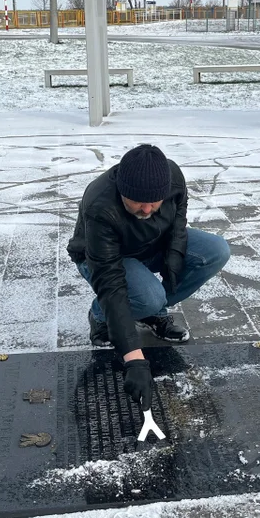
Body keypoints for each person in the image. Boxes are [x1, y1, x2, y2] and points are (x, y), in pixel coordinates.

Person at [67, 144, 230, 411]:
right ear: (122, 191)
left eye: (154, 201)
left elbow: (178, 223)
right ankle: (101, 315)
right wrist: (134, 360)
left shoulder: (172, 176)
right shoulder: (100, 206)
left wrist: (174, 258)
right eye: (137, 202)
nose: (146, 209)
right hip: (104, 259)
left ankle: (149, 309)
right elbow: (110, 282)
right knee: (147, 296)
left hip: (152, 245)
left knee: (216, 251)